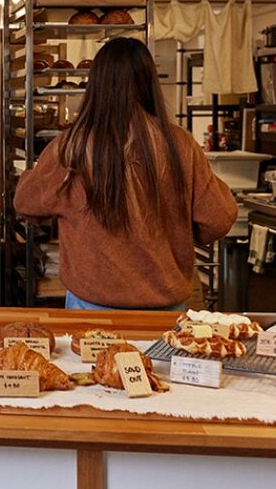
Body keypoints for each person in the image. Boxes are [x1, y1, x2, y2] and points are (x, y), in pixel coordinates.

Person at [14, 38, 237, 310]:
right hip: (166, 309)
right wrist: (174, 228)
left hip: (92, 307)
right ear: (149, 82)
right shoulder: (179, 144)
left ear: (96, 84)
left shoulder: (71, 147)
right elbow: (218, 219)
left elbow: (26, 203)